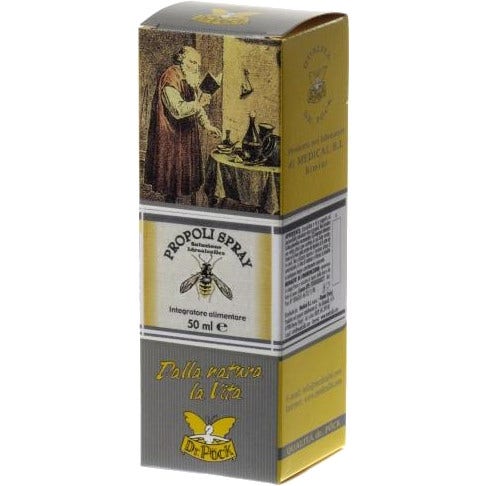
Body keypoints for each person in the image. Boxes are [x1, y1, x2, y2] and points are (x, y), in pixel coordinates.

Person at [145, 46, 221, 203]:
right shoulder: (170, 78)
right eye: (192, 62)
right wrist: (199, 103)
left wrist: (207, 125)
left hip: (186, 136)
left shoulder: (189, 77)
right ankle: (170, 207)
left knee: (187, 179)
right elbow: (178, 110)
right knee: (171, 181)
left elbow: (195, 105)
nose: (196, 67)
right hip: (171, 137)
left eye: (198, 64)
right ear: (181, 60)